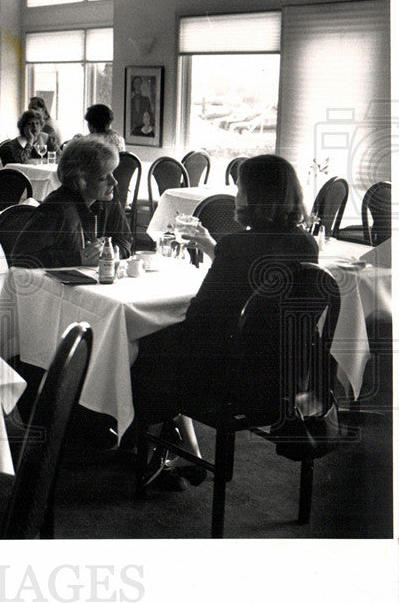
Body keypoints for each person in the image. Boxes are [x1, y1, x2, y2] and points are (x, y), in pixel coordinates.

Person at [130, 155, 318, 490]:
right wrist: (212, 247)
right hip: (283, 378)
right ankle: (183, 448)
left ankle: (148, 451)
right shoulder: (305, 243)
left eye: (240, 189)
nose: (236, 195)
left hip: (232, 383)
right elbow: (258, 279)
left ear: (254, 196)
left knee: (146, 345)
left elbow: (200, 319)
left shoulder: (237, 246)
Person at [10, 136, 131, 268]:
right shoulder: (56, 208)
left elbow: (125, 240)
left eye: (112, 173)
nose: (114, 182)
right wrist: (79, 258)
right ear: (81, 180)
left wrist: (111, 252)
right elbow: (22, 257)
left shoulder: (108, 200)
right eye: (103, 178)